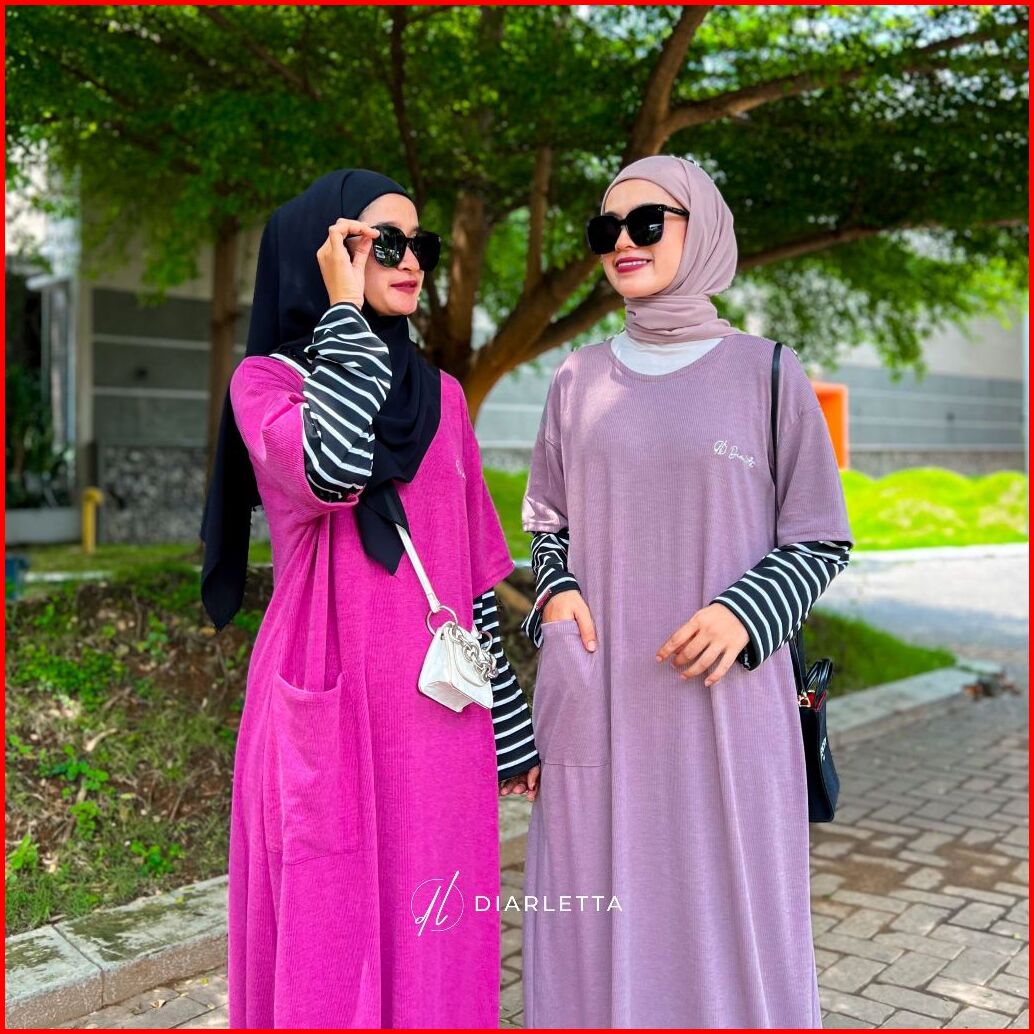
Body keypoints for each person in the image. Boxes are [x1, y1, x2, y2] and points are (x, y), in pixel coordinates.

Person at [199, 168, 540, 1029]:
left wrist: (509, 729)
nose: (412, 260)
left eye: (419, 243)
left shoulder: (445, 397)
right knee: (330, 933)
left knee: (435, 935)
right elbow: (335, 469)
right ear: (322, 253)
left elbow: (467, 578)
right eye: (382, 242)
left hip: (437, 719)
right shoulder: (268, 385)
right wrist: (345, 316)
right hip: (331, 699)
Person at [519, 154, 853, 1028]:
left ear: (699, 229)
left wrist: (745, 613)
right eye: (606, 229)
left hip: (724, 706)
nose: (622, 243)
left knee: (730, 916)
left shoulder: (767, 372)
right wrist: (557, 592)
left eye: (646, 222)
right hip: (600, 702)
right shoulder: (576, 379)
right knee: (592, 917)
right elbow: (547, 522)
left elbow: (820, 536)